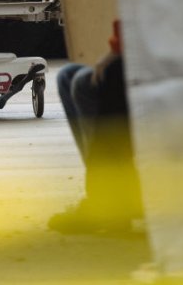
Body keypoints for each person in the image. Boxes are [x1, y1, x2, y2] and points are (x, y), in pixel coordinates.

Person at [48, 20, 144, 234]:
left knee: (85, 83)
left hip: (148, 62)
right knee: (68, 75)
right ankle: (107, 192)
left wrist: (115, 54)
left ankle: (110, 200)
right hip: (131, 55)